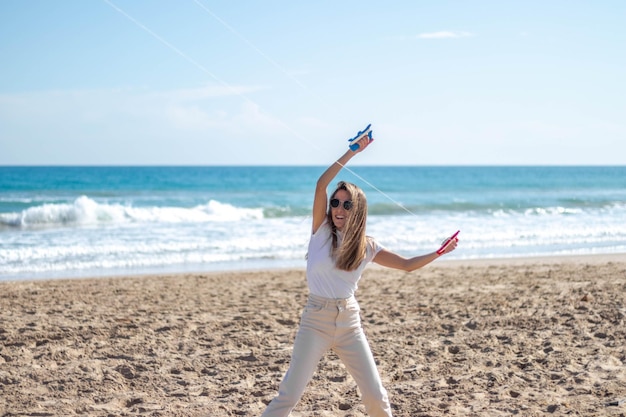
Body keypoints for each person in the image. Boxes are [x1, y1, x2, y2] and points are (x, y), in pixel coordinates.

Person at [261, 132, 458, 417]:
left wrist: (439, 252)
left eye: (347, 204)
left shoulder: (367, 246)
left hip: (349, 324)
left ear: (358, 210)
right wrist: (352, 152)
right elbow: (321, 185)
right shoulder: (320, 233)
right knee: (288, 396)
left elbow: (406, 265)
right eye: (336, 203)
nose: (339, 208)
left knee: (376, 397)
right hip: (315, 320)